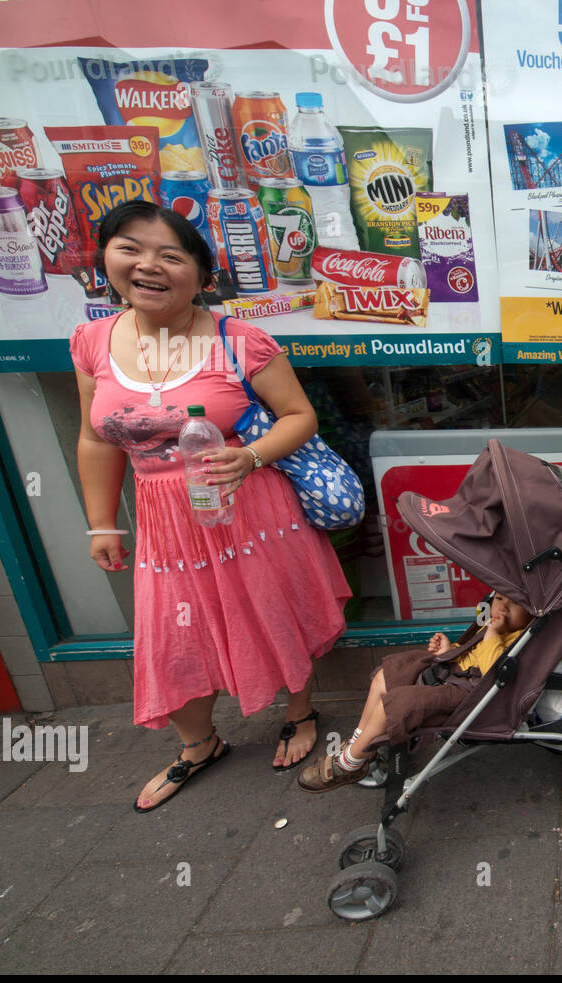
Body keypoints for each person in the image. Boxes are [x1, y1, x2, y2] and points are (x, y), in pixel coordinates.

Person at [73, 200, 352, 811]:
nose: (148, 265)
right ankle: (198, 745)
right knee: (174, 630)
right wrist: (100, 523)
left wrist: (250, 457)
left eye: (170, 255)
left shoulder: (239, 339)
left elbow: (300, 416)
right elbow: (95, 438)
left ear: (201, 275)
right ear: (107, 260)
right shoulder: (92, 341)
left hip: (251, 509)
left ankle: (300, 713)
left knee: (274, 610)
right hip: (165, 521)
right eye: (130, 248)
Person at [297, 593, 532, 792]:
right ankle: (359, 746)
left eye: (515, 604)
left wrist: (492, 634)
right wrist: (450, 650)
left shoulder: (519, 639)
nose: (502, 608)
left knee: (394, 704)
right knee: (387, 675)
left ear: (532, 614)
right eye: (499, 598)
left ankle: (348, 764)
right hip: (451, 671)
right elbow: (472, 652)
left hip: (468, 693)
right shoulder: (490, 625)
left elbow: (494, 671)